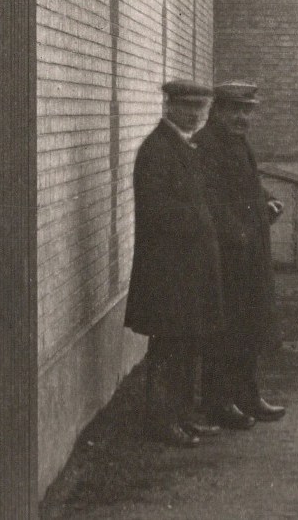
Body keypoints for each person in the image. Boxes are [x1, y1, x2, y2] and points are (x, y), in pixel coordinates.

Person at [123, 79, 226, 448]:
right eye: (187, 107)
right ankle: (162, 422)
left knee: (186, 344)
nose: (196, 115)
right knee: (168, 347)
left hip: (188, 270)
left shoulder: (184, 146)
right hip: (168, 270)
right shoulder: (157, 149)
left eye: (201, 109)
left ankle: (182, 417)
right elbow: (158, 211)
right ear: (168, 106)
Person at [195, 80, 286, 427]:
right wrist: (240, 232)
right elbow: (212, 199)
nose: (242, 118)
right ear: (217, 110)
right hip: (227, 255)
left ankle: (248, 396)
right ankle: (219, 403)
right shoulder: (206, 145)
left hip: (248, 253)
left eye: (246, 111)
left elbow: (247, 184)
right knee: (225, 330)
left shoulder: (236, 143)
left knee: (249, 326)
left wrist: (266, 199)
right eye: (235, 110)